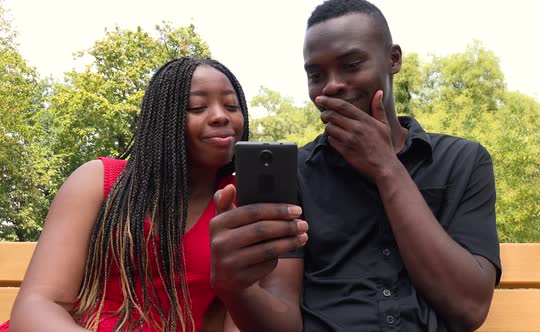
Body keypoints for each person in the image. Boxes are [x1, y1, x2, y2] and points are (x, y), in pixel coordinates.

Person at [210, 0, 502, 331]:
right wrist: (234, 289)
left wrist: (386, 168)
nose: (331, 85)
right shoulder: (296, 173)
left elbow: (470, 307)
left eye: (351, 65)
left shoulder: (462, 161)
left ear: (394, 59)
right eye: (316, 74)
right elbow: (284, 321)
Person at [2, 57, 307, 332]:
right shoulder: (100, 181)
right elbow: (36, 306)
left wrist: (237, 286)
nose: (220, 117)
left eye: (231, 106)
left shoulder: (244, 206)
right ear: (162, 121)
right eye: (198, 107)